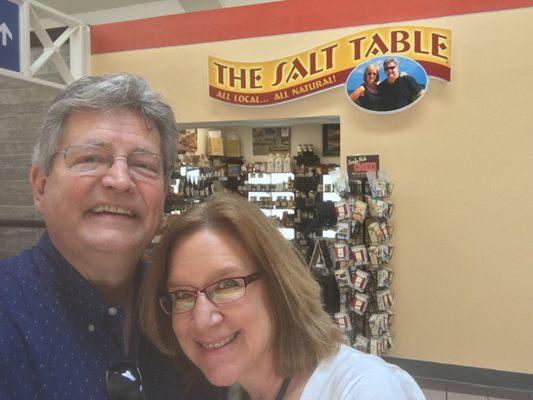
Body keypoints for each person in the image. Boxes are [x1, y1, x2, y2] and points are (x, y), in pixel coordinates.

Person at [0, 73, 223, 399]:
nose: (120, 180)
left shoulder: (188, 312)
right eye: (90, 158)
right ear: (41, 186)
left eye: (144, 165)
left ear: (163, 194)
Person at [140, 192, 426, 399]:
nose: (202, 320)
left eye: (227, 285)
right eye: (182, 294)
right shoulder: (240, 388)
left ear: (278, 287)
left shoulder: (363, 390)